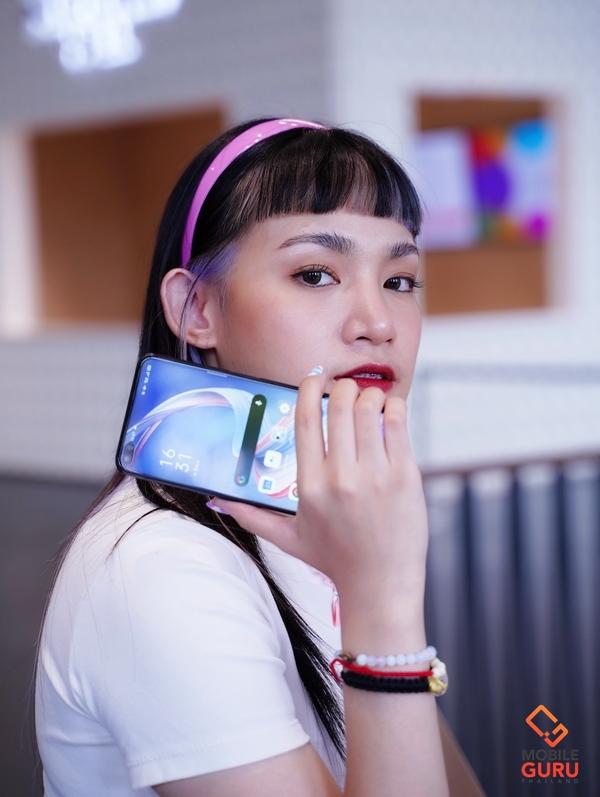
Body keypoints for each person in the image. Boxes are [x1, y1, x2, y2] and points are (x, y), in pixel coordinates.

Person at [36, 118, 450, 797]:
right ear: (195, 308)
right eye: (315, 274)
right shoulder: (160, 569)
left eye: (401, 280)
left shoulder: (319, 518)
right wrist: (384, 603)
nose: (379, 323)